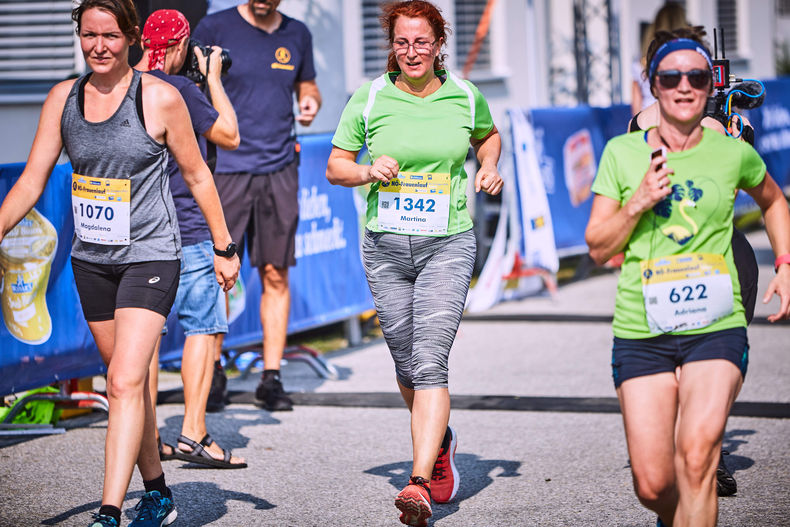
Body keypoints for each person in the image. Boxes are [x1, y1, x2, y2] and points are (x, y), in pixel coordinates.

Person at [0, 1, 240, 525]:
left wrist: (224, 248)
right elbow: (32, 179)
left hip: (152, 255)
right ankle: (157, 490)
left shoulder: (159, 97)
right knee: (127, 383)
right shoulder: (63, 99)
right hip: (93, 261)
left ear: (132, 37)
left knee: (124, 384)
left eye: (110, 35)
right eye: (89, 35)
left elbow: (198, 176)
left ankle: (110, 511)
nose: (99, 46)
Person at [585, 26, 790, 527]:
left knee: (697, 456)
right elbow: (597, 246)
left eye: (696, 76)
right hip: (644, 326)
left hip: (715, 321)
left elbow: (774, 200)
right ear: (652, 83)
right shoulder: (622, 152)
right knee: (655, 483)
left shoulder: (730, 147)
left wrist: (785, 264)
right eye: (670, 76)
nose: (683, 85)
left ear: (708, 85)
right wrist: (638, 202)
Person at [326, 2, 502, 525]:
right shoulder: (371, 95)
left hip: (447, 242)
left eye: (421, 42)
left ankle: (419, 481)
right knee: (405, 363)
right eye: (402, 43)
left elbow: (488, 136)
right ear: (392, 45)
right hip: (384, 246)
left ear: (438, 43)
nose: (411, 52)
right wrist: (364, 171)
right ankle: (440, 440)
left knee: (430, 362)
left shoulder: (465, 96)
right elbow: (335, 164)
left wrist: (488, 167)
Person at [192, 0, 322, 412]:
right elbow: (188, 90)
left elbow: (308, 85)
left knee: (275, 273)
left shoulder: (298, 33)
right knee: (219, 275)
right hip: (225, 168)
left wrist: (310, 101)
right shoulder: (214, 27)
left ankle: (271, 377)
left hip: (280, 166)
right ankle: (211, 375)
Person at [134, 9, 246, 469]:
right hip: (188, 227)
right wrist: (214, 77)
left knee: (146, 339)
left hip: (138, 231)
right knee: (204, 325)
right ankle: (194, 433)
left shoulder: (122, 88)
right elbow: (230, 134)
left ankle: (147, 438)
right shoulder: (178, 89)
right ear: (180, 45)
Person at [631, 2, 688, 116]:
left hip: (648, 118)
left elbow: (636, 105)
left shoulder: (640, 62)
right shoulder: (690, 58)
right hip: (681, 114)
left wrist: (639, 125)